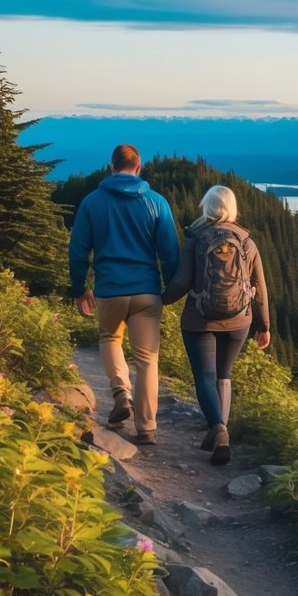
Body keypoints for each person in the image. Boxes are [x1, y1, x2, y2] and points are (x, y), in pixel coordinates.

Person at [68, 144, 180, 444]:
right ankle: (147, 428)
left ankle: (120, 393)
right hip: (146, 291)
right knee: (147, 359)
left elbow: (78, 249)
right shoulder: (157, 202)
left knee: (110, 339)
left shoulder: (92, 203)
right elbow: (170, 252)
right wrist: (170, 287)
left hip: (110, 290)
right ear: (139, 167)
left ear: (111, 167)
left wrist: (79, 289)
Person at [162, 185, 270, 464]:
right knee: (224, 373)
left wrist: (161, 300)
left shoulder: (197, 238)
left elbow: (182, 282)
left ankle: (218, 429)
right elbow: (260, 288)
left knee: (204, 376)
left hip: (200, 320)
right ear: (232, 208)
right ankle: (222, 430)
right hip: (239, 321)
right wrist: (264, 326)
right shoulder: (247, 241)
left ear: (207, 207)